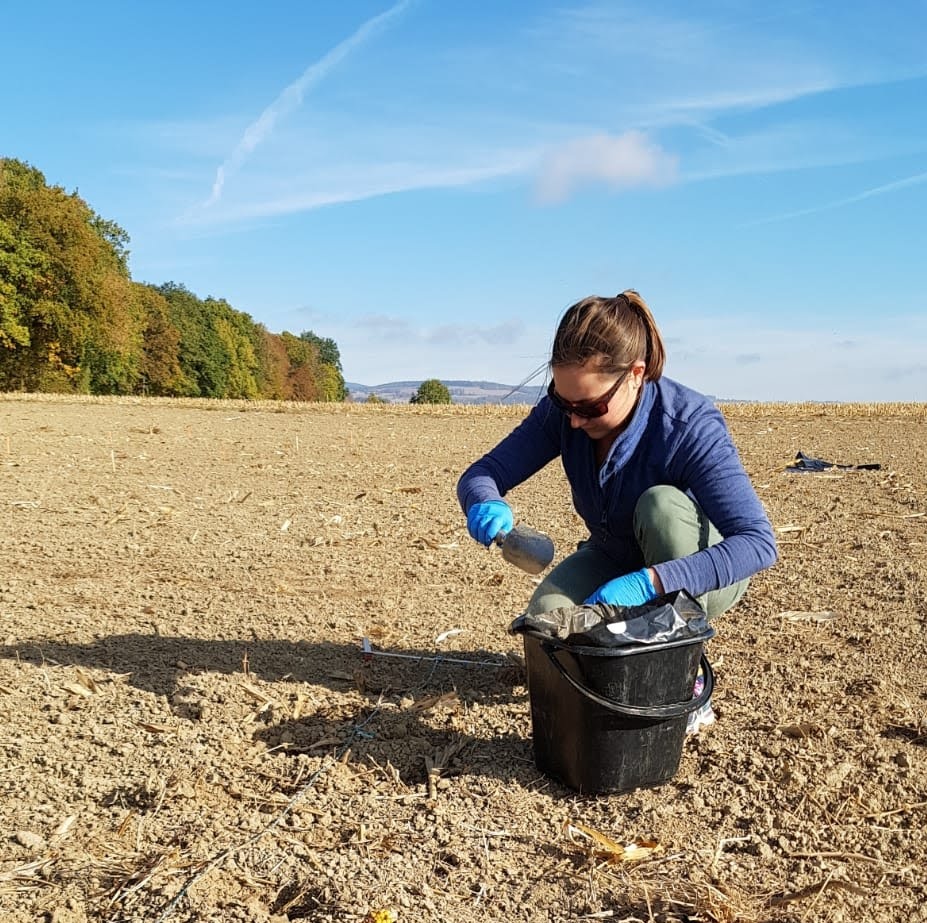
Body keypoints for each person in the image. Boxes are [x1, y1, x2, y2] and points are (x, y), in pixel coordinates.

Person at [457, 290, 777, 623]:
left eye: (591, 407)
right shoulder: (564, 414)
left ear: (635, 376)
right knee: (548, 620)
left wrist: (651, 583)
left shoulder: (689, 426)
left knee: (661, 506)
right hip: (614, 555)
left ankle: (680, 654)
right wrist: (482, 500)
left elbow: (756, 544)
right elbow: (485, 472)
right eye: (563, 401)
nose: (575, 420)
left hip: (695, 568)